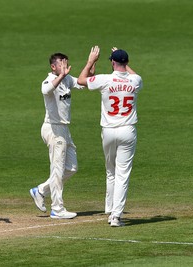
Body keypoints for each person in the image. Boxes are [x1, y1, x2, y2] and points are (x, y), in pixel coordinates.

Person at [77, 46, 143, 227]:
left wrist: (91, 61)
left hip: (108, 131)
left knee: (110, 170)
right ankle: (115, 216)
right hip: (127, 130)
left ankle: (109, 208)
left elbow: (82, 80)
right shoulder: (135, 80)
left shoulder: (104, 80)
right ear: (127, 63)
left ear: (112, 63)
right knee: (123, 173)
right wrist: (123, 60)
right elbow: (133, 75)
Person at [29, 53, 95, 219]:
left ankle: (41, 190)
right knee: (57, 169)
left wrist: (90, 63)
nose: (65, 67)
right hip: (52, 128)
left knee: (71, 167)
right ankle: (57, 209)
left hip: (64, 129)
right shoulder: (49, 80)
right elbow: (45, 89)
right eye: (61, 64)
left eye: (66, 64)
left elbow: (84, 83)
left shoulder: (67, 79)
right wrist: (62, 75)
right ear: (53, 67)